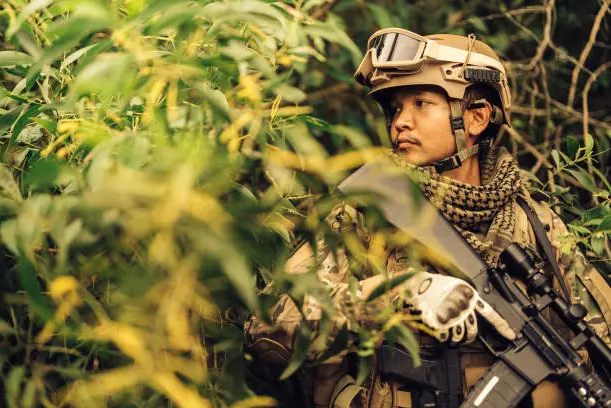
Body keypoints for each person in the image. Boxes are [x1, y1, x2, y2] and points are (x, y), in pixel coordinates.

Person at [244, 29, 611, 408]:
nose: (401, 121)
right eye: (396, 109)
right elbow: (266, 329)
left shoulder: (536, 224)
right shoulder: (368, 214)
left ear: (476, 118)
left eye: (421, 102)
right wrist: (397, 294)